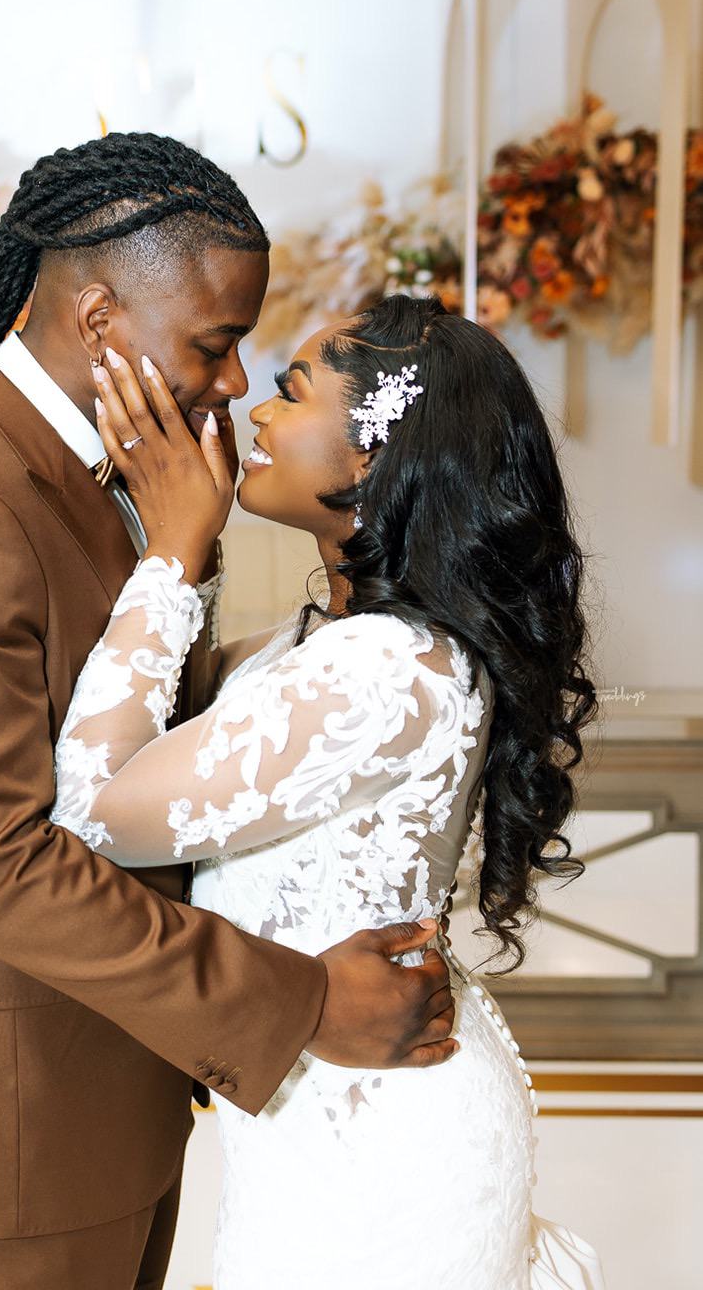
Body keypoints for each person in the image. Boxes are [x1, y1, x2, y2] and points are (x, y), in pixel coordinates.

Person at [0, 133, 458, 1290]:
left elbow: (166, 741)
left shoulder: (118, 470)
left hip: (116, 1088)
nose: (234, 383)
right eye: (214, 343)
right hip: (14, 1123)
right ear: (100, 318)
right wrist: (304, 1000)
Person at [51, 291, 608, 1289]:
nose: (255, 411)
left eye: (290, 390)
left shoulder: (384, 666)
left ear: (372, 455)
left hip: (377, 1158)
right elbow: (170, 713)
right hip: (326, 1134)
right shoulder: (322, 644)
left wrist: (174, 549)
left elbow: (96, 810)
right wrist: (181, 545)